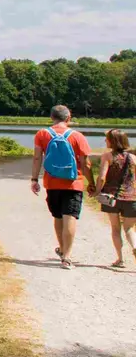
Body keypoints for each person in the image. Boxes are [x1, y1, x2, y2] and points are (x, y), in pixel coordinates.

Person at [30, 105, 96, 269]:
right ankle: (67, 256)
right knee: (70, 217)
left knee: (58, 217)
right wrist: (91, 183)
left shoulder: (42, 134)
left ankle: (62, 249)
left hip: (52, 183)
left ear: (52, 117)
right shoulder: (77, 136)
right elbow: (85, 163)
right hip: (73, 183)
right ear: (68, 118)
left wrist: (34, 179)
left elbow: (37, 158)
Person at [98, 128, 136, 270]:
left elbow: (102, 177)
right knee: (129, 228)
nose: (105, 141)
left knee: (115, 228)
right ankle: (135, 246)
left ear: (112, 141)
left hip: (112, 197)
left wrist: (96, 191)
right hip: (132, 198)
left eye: (107, 138)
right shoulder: (133, 158)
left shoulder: (108, 156)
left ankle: (120, 259)